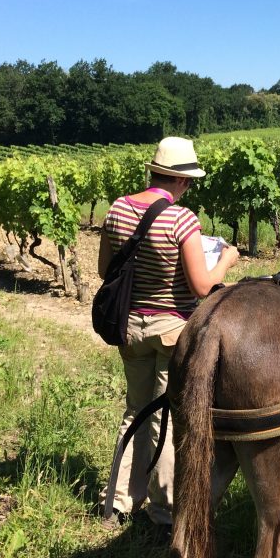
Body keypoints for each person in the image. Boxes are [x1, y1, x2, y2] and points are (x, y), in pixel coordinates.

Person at [97, 136, 239, 529]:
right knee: (166, 418)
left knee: (134, 411)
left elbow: (104, 270)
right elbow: (202, 286)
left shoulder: (118, 209)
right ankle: (164, 509)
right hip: (172, 330)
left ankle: (119, 500)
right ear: (182, 181)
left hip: (129, 326)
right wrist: (225, 260)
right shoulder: (181, 220)